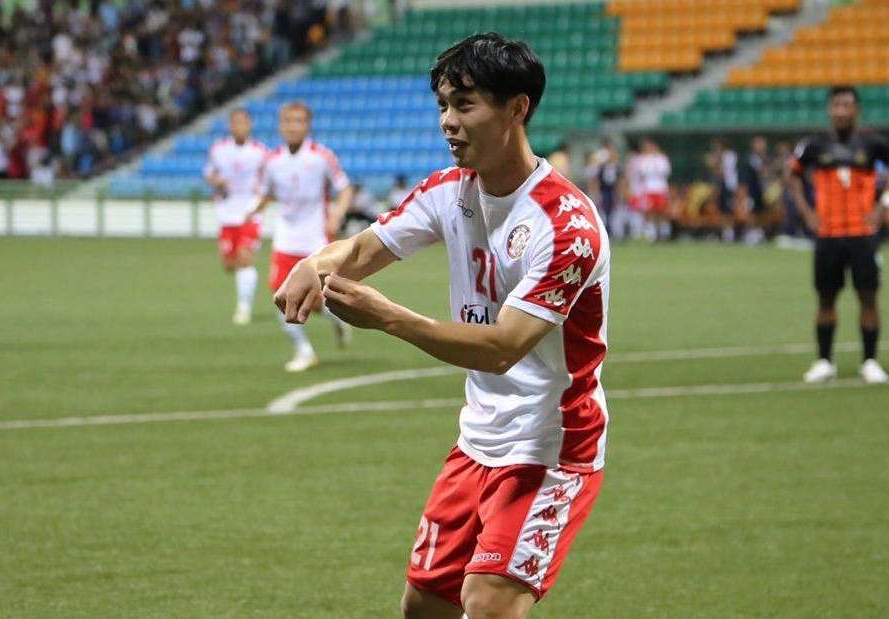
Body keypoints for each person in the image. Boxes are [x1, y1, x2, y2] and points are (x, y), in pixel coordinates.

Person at [273, 33, 609, 619]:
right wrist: (315, 262)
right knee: (424, 606)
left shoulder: (567, 225)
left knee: (486, 603)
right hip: (478, 439)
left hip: (551, 445)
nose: (449, 122)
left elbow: (504, 346)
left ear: (517, 109)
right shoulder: (448, 192)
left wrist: (389, 318)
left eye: (465, 104)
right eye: (443, 106)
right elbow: (363, 248)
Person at [787, 85, 889, 385]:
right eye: (837, 105)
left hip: (863, 234)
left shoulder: (873, 143)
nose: (841, 111)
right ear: (829, 109)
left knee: (868, 298)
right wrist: (806, 212)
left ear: (857, 110)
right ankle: (825, 361)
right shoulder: (814, 145)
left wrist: (884, 205)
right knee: (825, 300)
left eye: (847, 105)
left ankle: (870, 362)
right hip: (828, 234)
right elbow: (793, 176)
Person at [253, 101, 353, 372]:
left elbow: (344, 189)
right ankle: (304, 351)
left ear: (307, 125)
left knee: (320, 302)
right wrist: (252, 211)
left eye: (298, 121)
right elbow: (266, 192)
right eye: (287, 121)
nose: (292, 126)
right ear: (280, 125)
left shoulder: (322, 157)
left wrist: (337, 214)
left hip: (315, 240)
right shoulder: (272, 161)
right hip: (285, 239)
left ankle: (338, 320)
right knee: (281, 296)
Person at [203, 108, 268, 325]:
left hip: (250, 212)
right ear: (230, 126)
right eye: (236, 123)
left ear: (249, 125)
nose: (240, 126)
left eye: (243, 122)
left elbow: (270, 179)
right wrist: (216, 181)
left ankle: (244, 308)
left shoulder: (260, 152)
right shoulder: (218, 149)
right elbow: (209, 173)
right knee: (229, 264)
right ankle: (243, 298)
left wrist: (261, 202)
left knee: (245, 258)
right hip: (227, 213)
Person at [626, 137, 672, 241]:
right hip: (649, 189)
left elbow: (665, 172)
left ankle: (663, 233)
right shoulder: (644, 159)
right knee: (650, 212)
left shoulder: (662, 158)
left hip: (660, 188)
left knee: (661, 211)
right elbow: (642, 174)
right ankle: (653, 235)